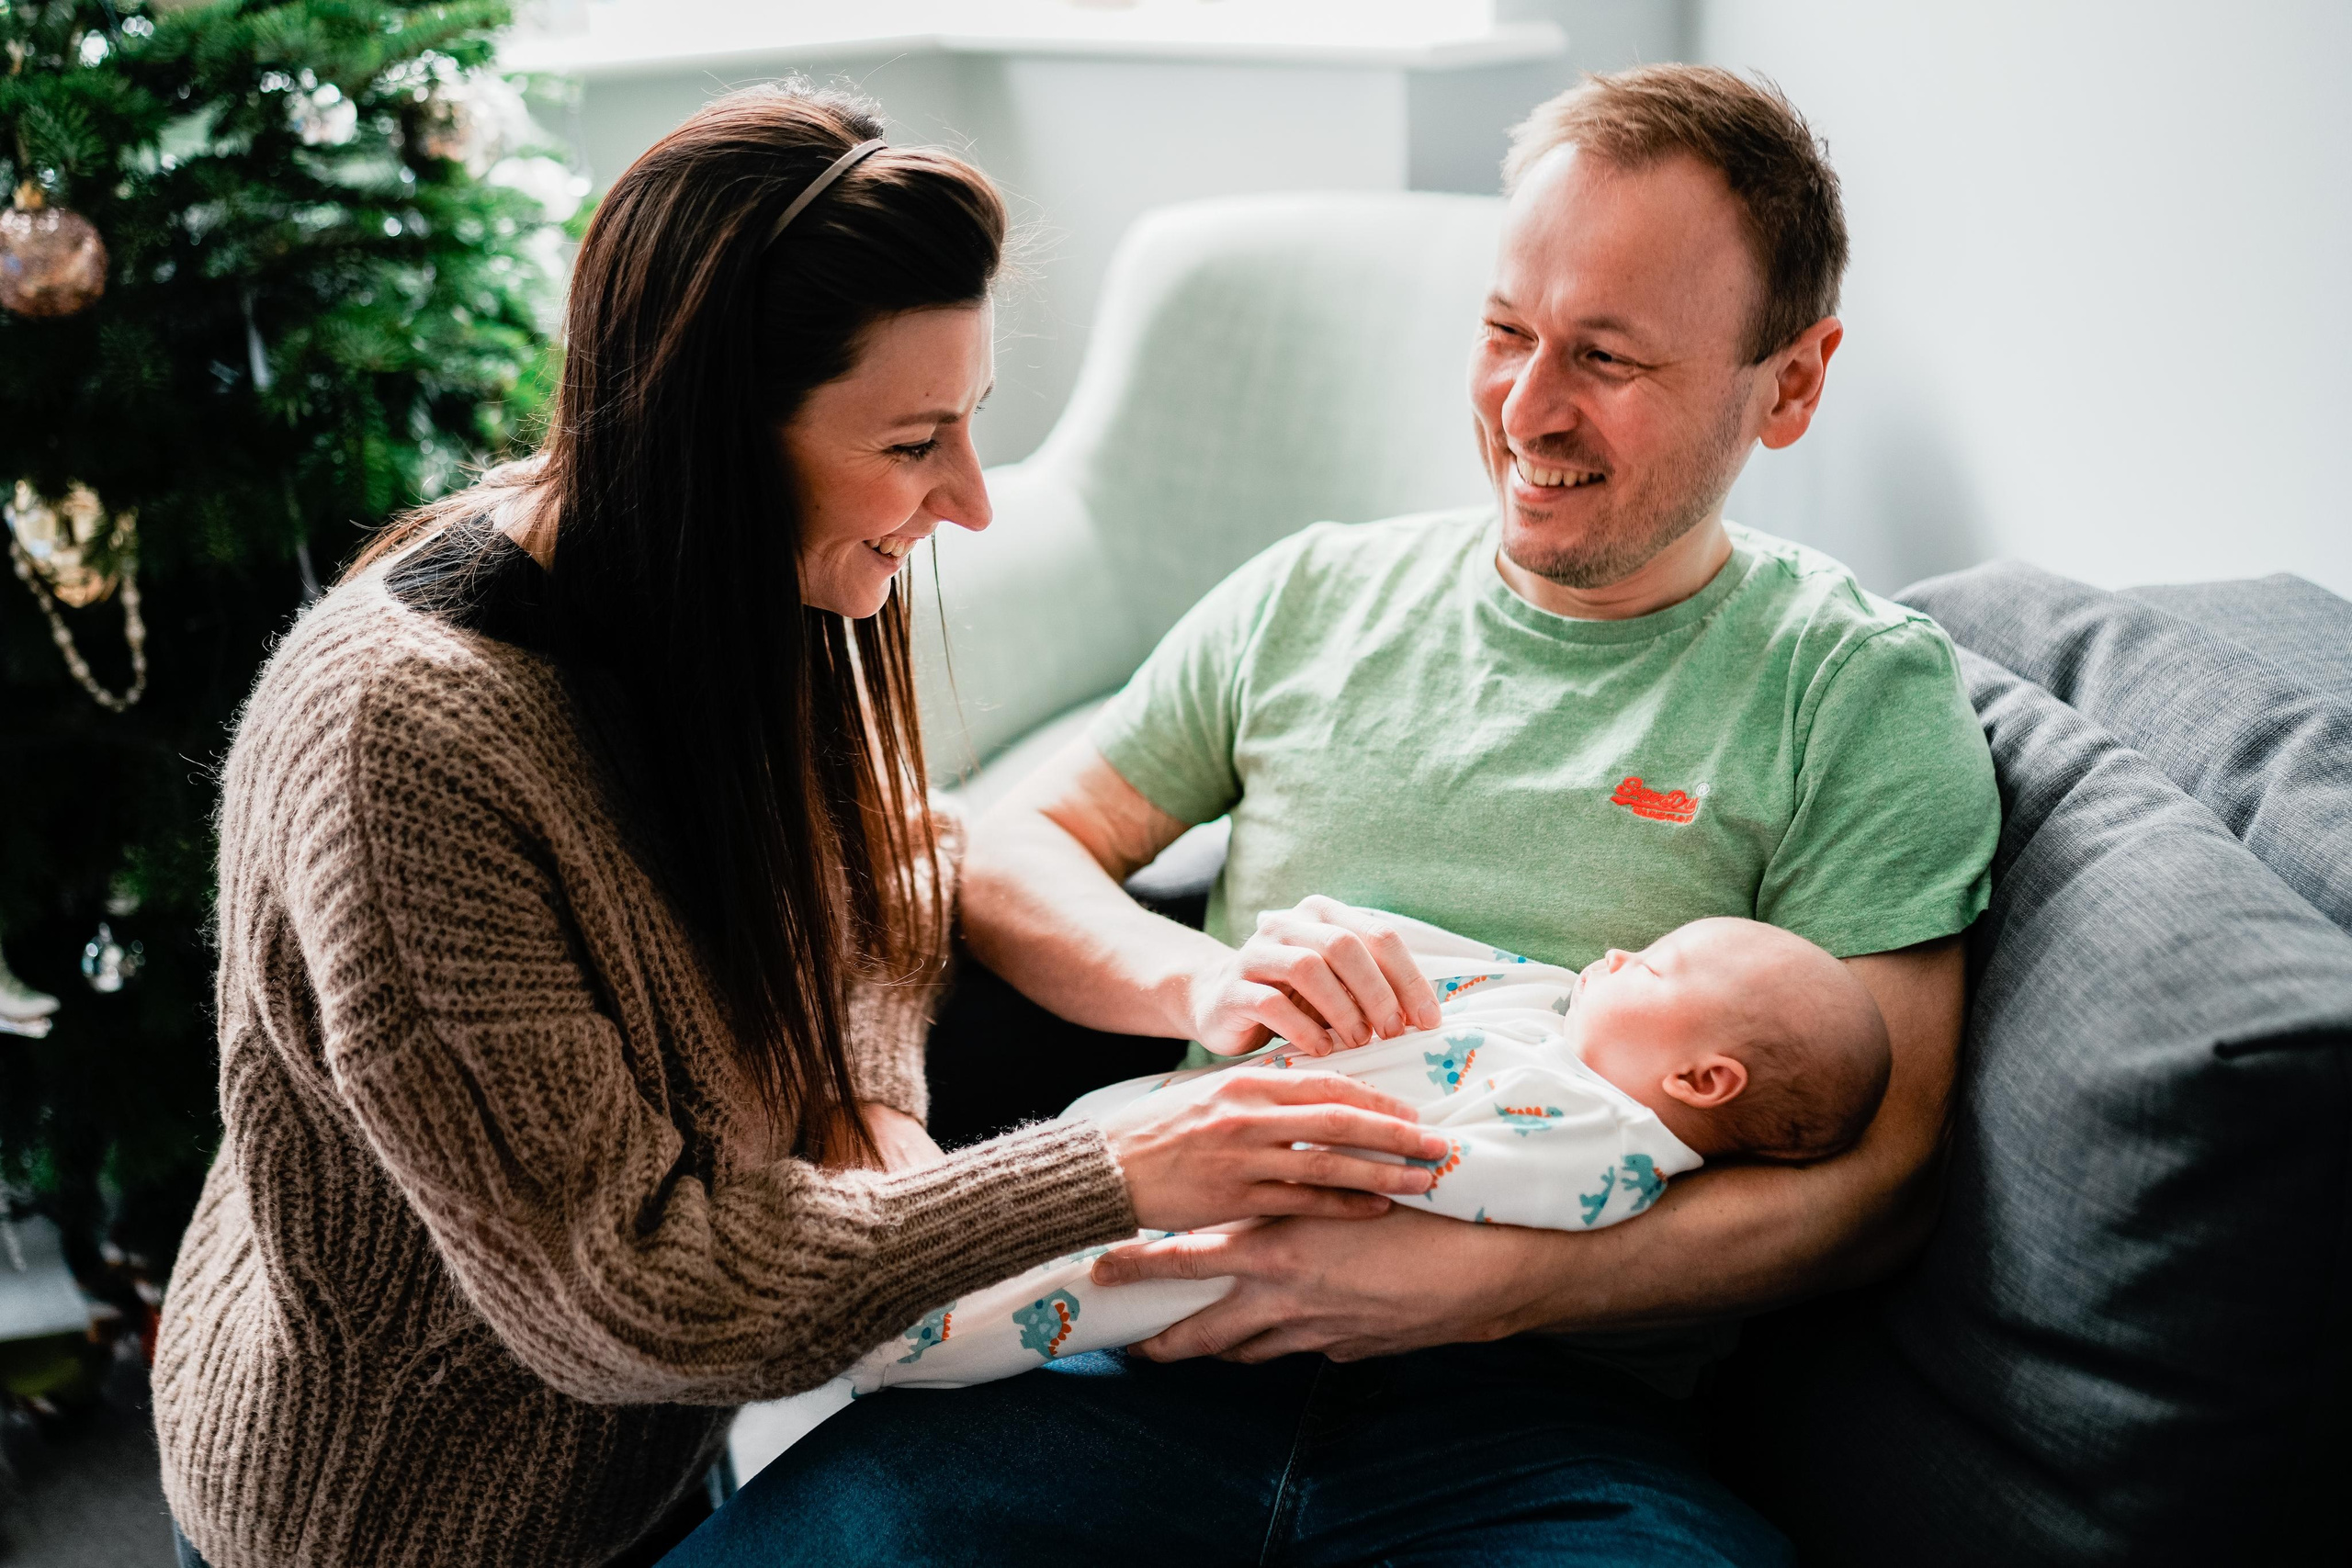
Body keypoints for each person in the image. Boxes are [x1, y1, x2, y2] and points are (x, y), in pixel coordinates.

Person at [680, 64, 2000, 1567]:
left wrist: (1474, 1285)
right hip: (1137, 1348)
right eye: (1505, 331)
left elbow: (1880, 1175)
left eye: (1610, 359)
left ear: (1795, 380)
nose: (1527, 406)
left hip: (1538, 1417)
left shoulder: (1851, 690)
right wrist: (1201, 981)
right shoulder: (1316, 596)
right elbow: (1019, 847)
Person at [149, 85, 1447, 1568]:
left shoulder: (738, 589)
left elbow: (882, 874)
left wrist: (881, 1095)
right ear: (710, 438)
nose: (966, 500)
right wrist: (1125, 1168)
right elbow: (636, 1293)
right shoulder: (403, 747)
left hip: (639, 1461)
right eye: (912, 442)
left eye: (972, 425)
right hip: (400, 1515)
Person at [808, 908, 1891, 1399]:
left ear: (1702, 1083)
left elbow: (1443, 1171)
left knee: (1055, 1288)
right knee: (1003, 1195)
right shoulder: (1558, 1015)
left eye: (1651, 969)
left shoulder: (1610, 1151)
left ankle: (885, 1332)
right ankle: (886, 1217)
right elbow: (1435, 969)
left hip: (1242, 1236)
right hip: (1160, 1132)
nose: (1615, 952)